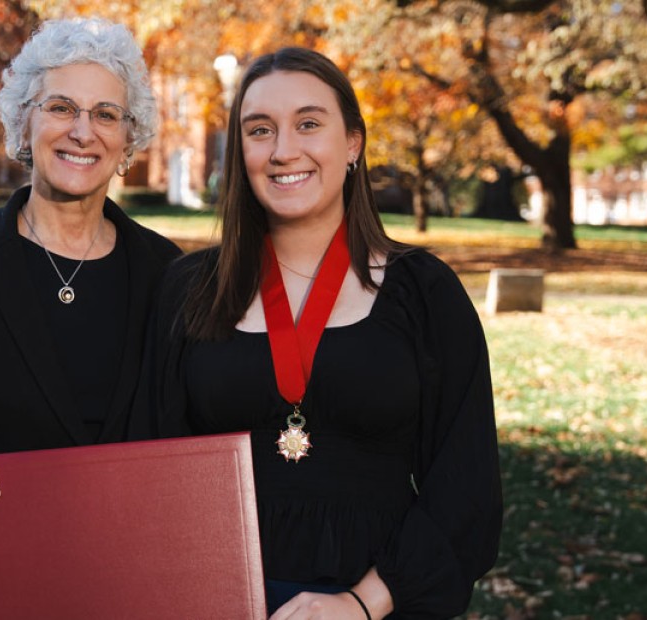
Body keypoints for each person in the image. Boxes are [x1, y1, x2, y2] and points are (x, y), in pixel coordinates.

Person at [139, 48, 502, 618]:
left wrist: (361, 604)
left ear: (353, 142)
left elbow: (466, 488)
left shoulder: (426, 295)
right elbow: (152, 470)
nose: (285, 150)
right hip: (215, 602)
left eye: (309, 123)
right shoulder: (188, 289)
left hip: (376, 605)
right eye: (260, 130)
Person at [0, 18, 182, 619]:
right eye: (61, 107)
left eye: (105, 114)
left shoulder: (168, 273)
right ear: (24, 123)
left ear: (128, 140)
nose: (81, 131)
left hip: (134, 583)